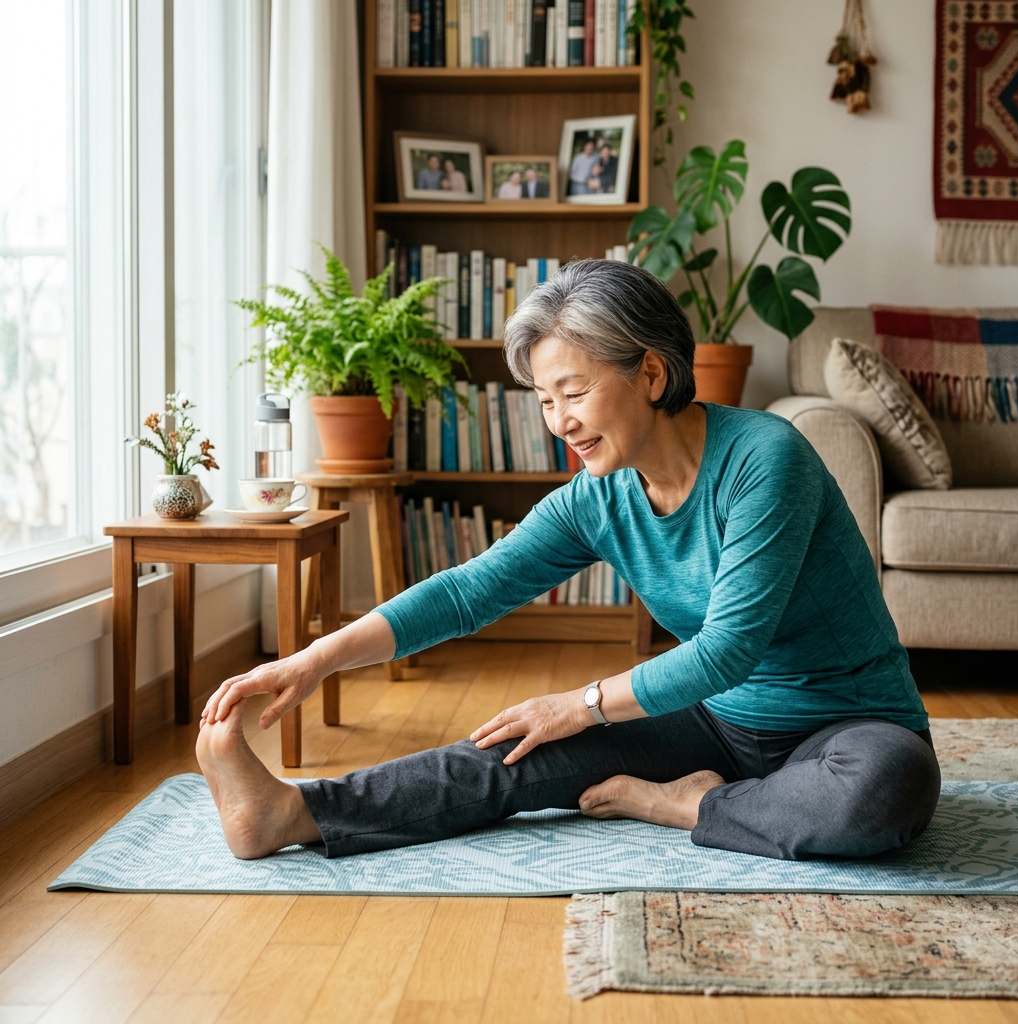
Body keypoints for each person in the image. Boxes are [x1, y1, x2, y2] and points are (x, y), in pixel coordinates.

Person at [196, 259, 941, 864]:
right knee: (515, 748)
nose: (561, 423)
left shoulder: (765, 460)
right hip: (714, 726)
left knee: (883, 791)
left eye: (574, 392)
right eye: (545, 401)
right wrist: (314, 661)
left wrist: (580, 706)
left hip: (848, 728)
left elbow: (727, 650)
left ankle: (685, 802)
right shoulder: (598, 496)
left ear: (651, 374)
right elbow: (467, 593)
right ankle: (292, 812)